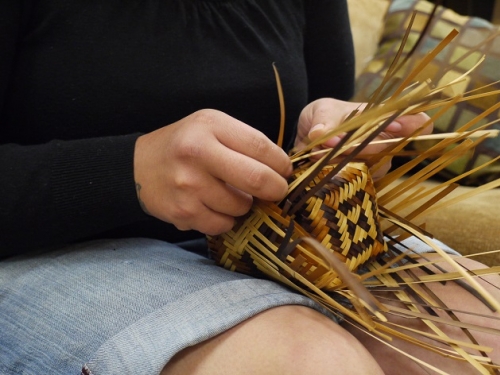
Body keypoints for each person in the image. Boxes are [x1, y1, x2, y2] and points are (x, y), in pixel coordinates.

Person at [0, 1, 498, 374]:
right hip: (47, 245)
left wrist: (332, 150)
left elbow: (323, 108)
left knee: (487, 335)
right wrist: (124, 170)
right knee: (311, 363)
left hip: (261, 240)